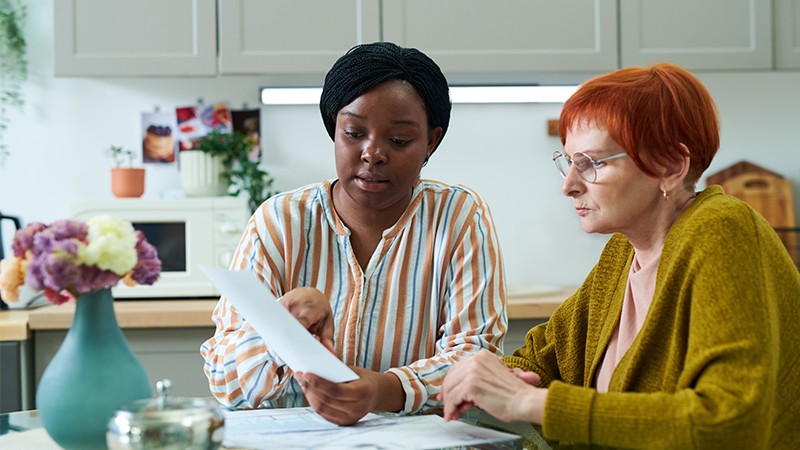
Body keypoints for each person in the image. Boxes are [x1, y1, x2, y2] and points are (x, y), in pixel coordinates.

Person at [438, 63, 800, 449]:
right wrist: (488, 377)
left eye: (591, 164)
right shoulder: (625, 250)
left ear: (670, 166)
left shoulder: (723, 230)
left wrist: (528, 401)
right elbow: (543, 360)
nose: (568, 185)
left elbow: (729, 423)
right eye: (569, 161)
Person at [200, 42, 507, 426]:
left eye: (399, 141)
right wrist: (283, 328)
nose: (372, 153)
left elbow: (476, 357)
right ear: (334, 128)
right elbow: (223, 380)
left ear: (430, 141)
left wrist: (385, 390)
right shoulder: (279, 221)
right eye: (353, 133)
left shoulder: (458, 217)